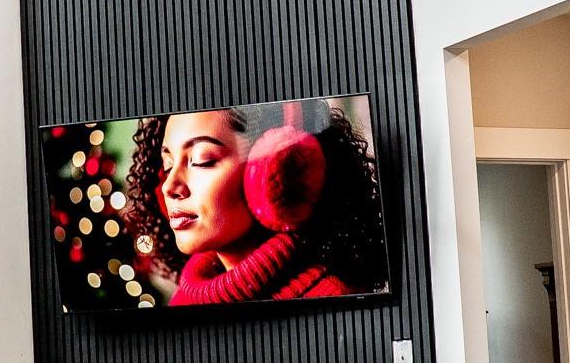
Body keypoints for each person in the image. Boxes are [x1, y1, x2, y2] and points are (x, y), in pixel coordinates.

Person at [122, 98, 388, 306]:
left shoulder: (334, 299)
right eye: (168, 166)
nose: (170, 187)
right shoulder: (181, 301)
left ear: (273, 166)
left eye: (201, 160)